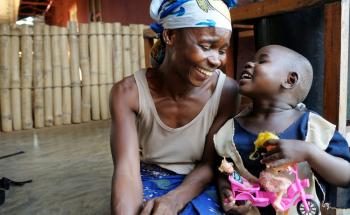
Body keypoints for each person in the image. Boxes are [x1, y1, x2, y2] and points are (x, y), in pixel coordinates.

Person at [109, 0, 240, 214]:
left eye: (222, 50)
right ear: (170, 36)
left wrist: (174, 200)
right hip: (148, 177)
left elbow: (209, 163)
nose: (216, 60)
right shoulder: (128, 93)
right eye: (206, 47)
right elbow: (126, 171)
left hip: (200, 179)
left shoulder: (226, 91)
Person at [213, 45, 350, 214]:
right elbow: (222, 170)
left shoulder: (312, 126)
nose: (249, 64)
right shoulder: (229, 132)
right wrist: (226, 191)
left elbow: (346, 174)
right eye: (251, 60)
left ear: (290, 80)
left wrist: (310, 152)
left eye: (261, 61)